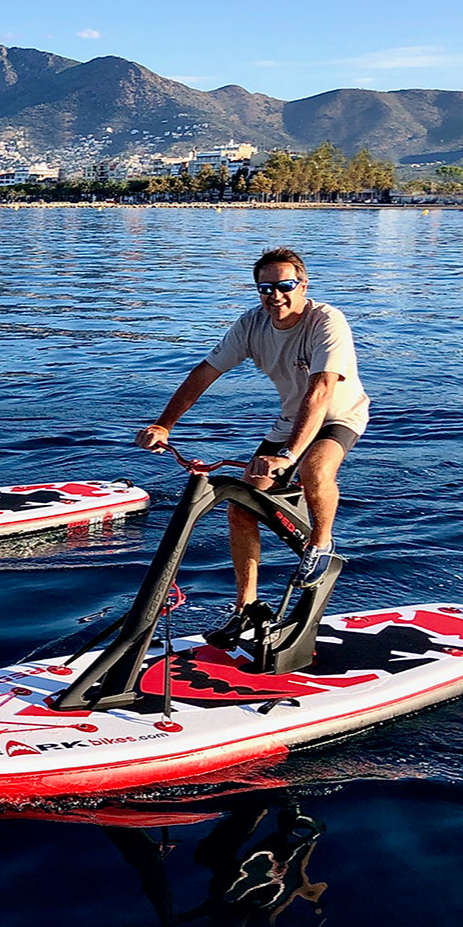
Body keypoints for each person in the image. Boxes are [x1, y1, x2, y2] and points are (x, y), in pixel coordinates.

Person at [135, 247, 369, 649]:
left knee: (316, 469)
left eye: (284, 286)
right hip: (290, 422)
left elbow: (322, 390)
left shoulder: (327, 321)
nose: (275, 296)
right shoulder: (252, 325)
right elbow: (205, 373)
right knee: (241, 506)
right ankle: (245, 609)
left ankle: (321, 545)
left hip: (337, 415)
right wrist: (164, 424)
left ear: (302, 285)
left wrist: (288, 456)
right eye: (266, 288)